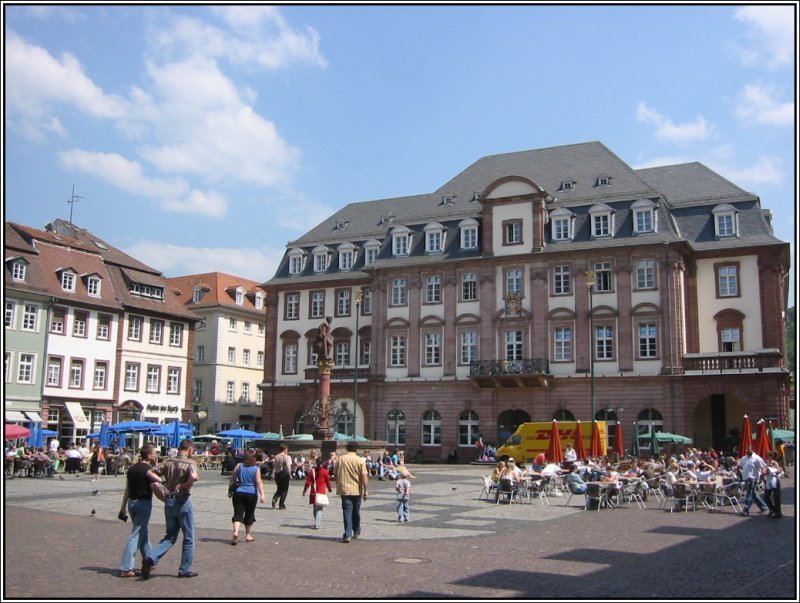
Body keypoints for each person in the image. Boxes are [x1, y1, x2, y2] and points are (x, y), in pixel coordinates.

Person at [142, 439, 200, 579]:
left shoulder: (169, 461)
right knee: (189, 537)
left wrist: (162, 482)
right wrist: (185, 484)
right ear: (190, 449)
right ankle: (184, 569)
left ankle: (151, 557)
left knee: (170, 536)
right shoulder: (190, 463)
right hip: (182, 501)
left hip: (169, 502)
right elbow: (194, 476)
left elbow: (150, 472)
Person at [117, 444, 163, 578]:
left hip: (132, 503)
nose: (156, 455)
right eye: (154, 453)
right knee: (136, 535)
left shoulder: (132, 469)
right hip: (143, 503)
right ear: (148, 456)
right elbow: (155, 488)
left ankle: (150, 559)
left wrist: (123, 507)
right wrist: (167, 501)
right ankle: (125, 568)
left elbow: (127, 490)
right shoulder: (148, 470)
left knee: (143, 532)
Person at [334, 440, 369, 543]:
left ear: (347, 448)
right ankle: (356, 530)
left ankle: (347, 534)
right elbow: (364, 476)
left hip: (344, 489)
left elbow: (335, 474)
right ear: (356, 449)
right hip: (357, 489)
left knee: (347, 511)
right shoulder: (360, 460)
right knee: (356, 511)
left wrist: (338, 484)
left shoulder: (340, 459)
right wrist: (366, 490)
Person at [229, 451, 267, 544]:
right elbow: (258, 482)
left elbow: (232, 478)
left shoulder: (239, 466)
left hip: (238, 492)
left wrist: (230, 491)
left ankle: (236, 532)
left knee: (238, 514)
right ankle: (248, 535)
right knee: (249, 514)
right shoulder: (256, 469)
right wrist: (262, 494)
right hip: (251, 493)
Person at [737, 446, 768, 517]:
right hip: (745, 477)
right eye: (746, 449)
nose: (746, 450)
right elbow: (739, 465)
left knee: (749, 494)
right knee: (753, 494)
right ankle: (763, 506)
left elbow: (763, 466)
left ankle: (745, 510)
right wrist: (738, 470)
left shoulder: (757, 458)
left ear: (752, 450)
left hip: (752, 478)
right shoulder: (744, 458)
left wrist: (763, 475)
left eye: (748, 449)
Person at [303, 457, 333, 529]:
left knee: (315, 508)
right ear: (323, 463)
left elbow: (307, 483)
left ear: (316, 463)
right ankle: (317, 524)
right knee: (319, 509)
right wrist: (329, 489)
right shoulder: (325, 472)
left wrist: (304, 491)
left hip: (314, 492)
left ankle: (316, 522)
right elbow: (328, 482)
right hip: (321, 493)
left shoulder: (311, 471)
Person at [763, 450, 783, 519]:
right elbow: (764, 471)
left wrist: (775, 472)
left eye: (768, 455)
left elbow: (779, 472)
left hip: (775, 481)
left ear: (772, 456)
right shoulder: (767, 463)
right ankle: (772, 509)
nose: (767, 456)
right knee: (766, 496)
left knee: (776, 497)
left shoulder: (775, 463)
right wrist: (764, 472)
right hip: (768, 481)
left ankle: (778, 513)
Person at [271, 444, 292, 509]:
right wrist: (290, 474)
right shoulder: (287, 457)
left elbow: (275, 466)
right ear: (285, 449)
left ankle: (275, 498)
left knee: (280, 488)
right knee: (285, 490)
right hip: (284, 474)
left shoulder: (276, 456)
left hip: (277, 474)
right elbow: (288, 466)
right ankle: (281, 504)